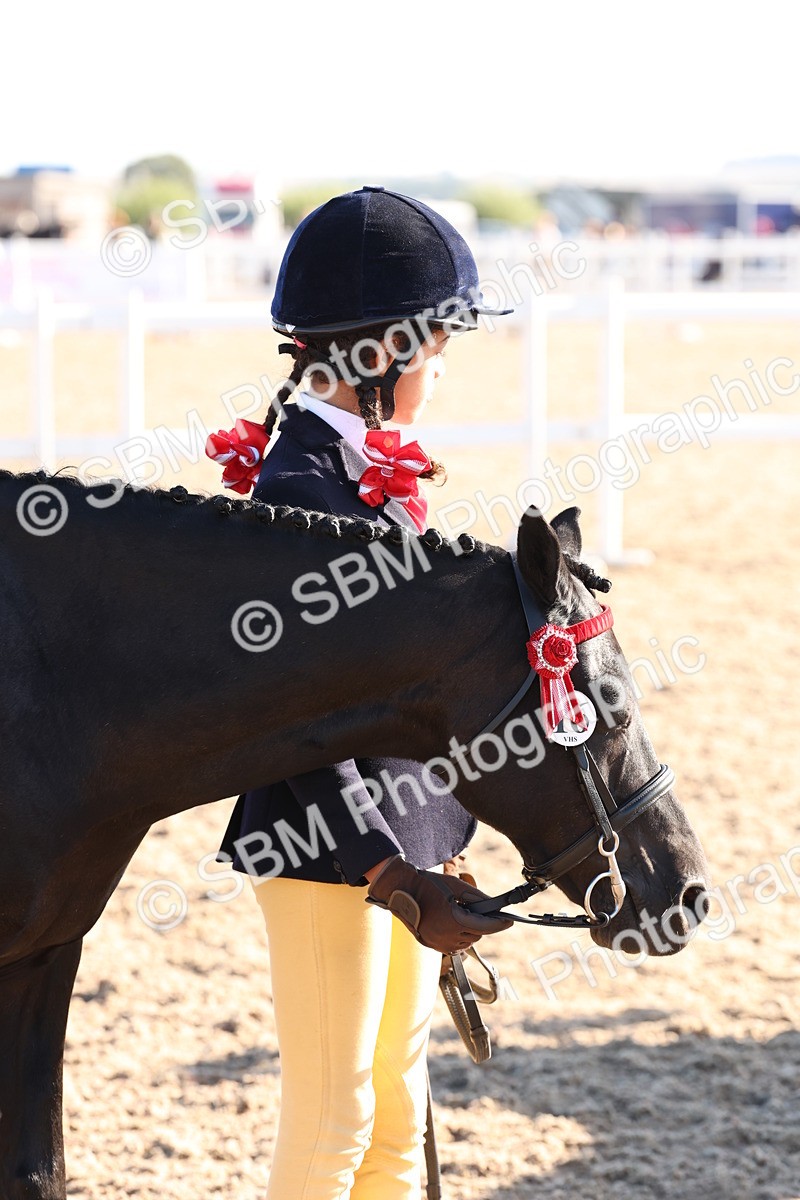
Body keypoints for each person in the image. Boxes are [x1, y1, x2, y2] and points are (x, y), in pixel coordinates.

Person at [210, 186, 513, 1200]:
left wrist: (444, 834)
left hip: (406, 841)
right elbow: (299, 719)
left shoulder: (366, 473)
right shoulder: (298, 490)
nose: (442, 371)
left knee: (394, 1107)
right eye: (435, 349)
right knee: (335, 1118)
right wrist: (388, 868)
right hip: (325, 844)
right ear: (382, 355)